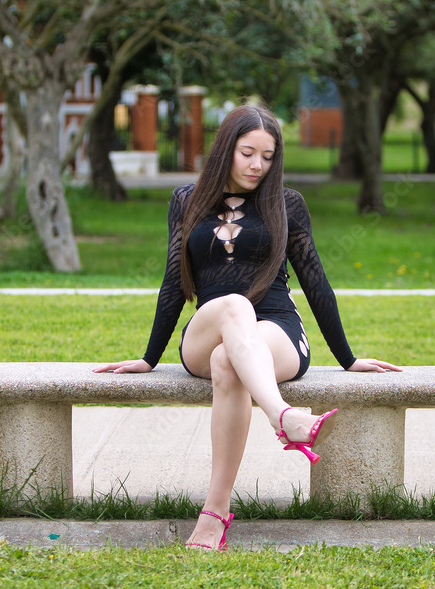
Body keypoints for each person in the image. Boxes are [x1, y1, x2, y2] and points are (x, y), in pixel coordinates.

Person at [95, 104, 399, 551]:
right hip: (209, 328)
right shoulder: (186, 200)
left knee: (229, 361)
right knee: (232, 307)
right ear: (226, 151)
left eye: (268, 155)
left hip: (276, 328)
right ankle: (284, 417)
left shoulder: (288, 204)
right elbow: (172, 281)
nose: (258, 165)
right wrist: (149, 357)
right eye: (247, 153)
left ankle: (215, 513)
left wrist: (348, 358)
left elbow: (315, 281)